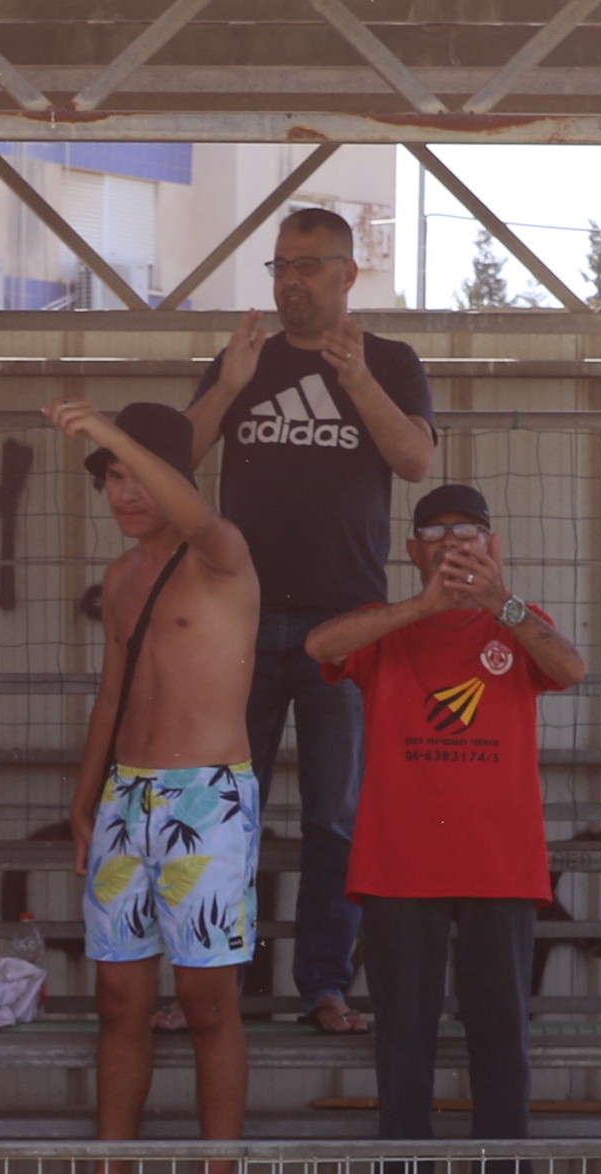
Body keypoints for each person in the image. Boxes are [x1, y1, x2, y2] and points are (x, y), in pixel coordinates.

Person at [307, 483, 587, 1174]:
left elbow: (570, 669)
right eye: (437, 533)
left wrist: (506, 605)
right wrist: (422, 607)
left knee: (502, 1040)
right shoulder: (388, 628)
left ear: (494, 547)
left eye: (470, 533)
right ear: (414, 549)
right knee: (404, 1045)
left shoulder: (520, 623)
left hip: (500, 866)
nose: (455, 545)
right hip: (400, 866)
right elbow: (319, 647)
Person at [184, 208, 436, 1036]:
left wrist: (357, 379)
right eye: (280, 266)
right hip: (239, 621)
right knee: (223, 811)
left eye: (308, 265)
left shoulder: (389, 361)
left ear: (346, 275)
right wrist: (228, 382)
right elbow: (173, 462)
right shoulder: (242, 361)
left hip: (348, 624)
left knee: (336, 816)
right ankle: (212, 989)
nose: (290, 281)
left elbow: (416, 460)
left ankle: (324, 984)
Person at [33, 399, 261, 1174]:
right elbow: (111, 695)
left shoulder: (222, 553)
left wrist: (110, 432)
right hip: (129, 801)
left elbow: (199, 516)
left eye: (134, 474)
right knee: (119, 1000)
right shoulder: (125, 578)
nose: (123, 493)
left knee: (208, 1004)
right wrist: (85, 798)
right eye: (110, 480)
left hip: (208, 799)